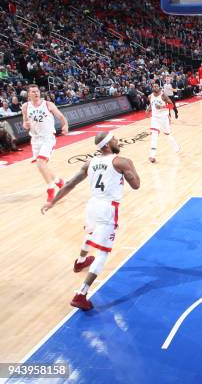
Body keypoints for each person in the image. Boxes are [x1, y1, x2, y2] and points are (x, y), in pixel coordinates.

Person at [41, 132, 140, 310]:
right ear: (107, 145)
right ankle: (81, 294)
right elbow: (136, 185)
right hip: (108, 208)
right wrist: (131, 168)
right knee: (103, 253)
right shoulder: (122, 162)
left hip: (92, 205)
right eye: (114, 139)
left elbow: (70, 183)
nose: (117, 140)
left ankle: (80, 261)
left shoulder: (89, 163)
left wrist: (52, 202)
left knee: (91, 233)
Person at [21, 84, 69, 202]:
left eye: (37, 91)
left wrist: (65, 125)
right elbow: (25, 124)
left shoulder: (48, 104)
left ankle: (50, 189)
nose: (36, 93)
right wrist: (25, 125)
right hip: (35, 140)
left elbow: (61, 116)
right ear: (29, 94)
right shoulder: (25, 107)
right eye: (33, 92)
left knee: (40, 162)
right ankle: (59, 181)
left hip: (48, 138)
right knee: (42, 166)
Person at [146, 83, 180, 163]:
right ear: (152, 88)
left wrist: (162, 107)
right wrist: (148, 109)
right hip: (155, 118)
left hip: (164, 118)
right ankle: (152, 155)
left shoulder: (163, 95)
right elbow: (151, 104)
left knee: (167, 134)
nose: (155, 87)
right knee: (154, 135)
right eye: (154, 86)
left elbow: (172, 105)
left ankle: (176, 147)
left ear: (159, 87)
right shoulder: (150, 96)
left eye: (157, 86)